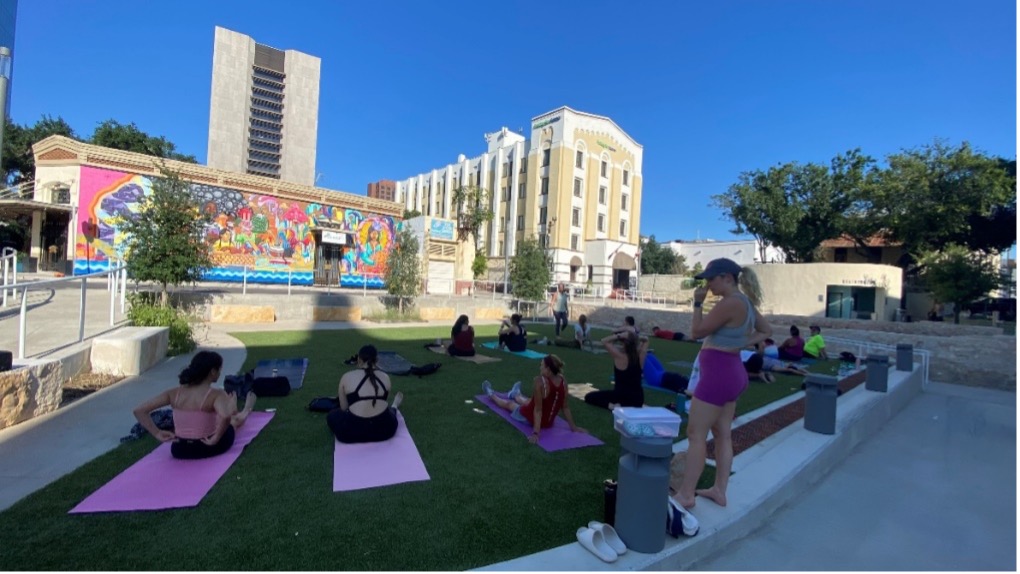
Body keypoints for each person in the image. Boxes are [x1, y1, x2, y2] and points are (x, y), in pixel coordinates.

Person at [677, 257, 771, 510]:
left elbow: (696, 332)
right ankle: (720, 490)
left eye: (711, 279)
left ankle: (686, 495)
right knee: (722, 435)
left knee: (696, 435)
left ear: (727, 277)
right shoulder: (746, 303)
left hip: (718, 375)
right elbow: (766, 330)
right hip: (732, 372)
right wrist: (740, 343)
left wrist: (697, 303)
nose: (708, 285)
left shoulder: (730, 303)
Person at [131, 351, 256, 460]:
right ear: (213, 371)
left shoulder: (173, 393)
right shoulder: (216, 394)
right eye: (219, 370)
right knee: (231, 424)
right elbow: (225, 416)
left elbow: (139, 411)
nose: (220, 373)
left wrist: (157, 433)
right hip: (208, 447)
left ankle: (234, 407)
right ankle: (245, 409)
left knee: (221, 419)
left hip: (180, 450)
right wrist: (216, 438)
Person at [482, 355, 586, 444]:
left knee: (509, 404)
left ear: (548, 370)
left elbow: (538, 410)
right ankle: (516, 394)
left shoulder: (540, 382)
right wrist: (574, 427)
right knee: (529, 401)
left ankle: (491, 394)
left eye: (542, 365)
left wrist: (536, 433)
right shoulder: (563, 381)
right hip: (548, 422)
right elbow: (565, 407)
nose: (540, 367)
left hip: (529, 418)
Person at [328, 345, 404, 444]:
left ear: (359, 359)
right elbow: (380, 404)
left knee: (333, 415)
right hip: (385, 430)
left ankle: (394, 406)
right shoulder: (385, 377)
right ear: (377, 360)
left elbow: (344, 407)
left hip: (350, 433)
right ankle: (394, 405)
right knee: (389, 412)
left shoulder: (347, 376)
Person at [584, 331, 649, 410]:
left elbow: (604, 341)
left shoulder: (620, 356)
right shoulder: (640, 356)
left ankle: (612, 406)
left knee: (589, 396)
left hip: (621, 398)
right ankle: (616, 405)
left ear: (625, 344)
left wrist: (619, 335)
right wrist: (633, 337)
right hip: (638, 400)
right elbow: (646, 340)